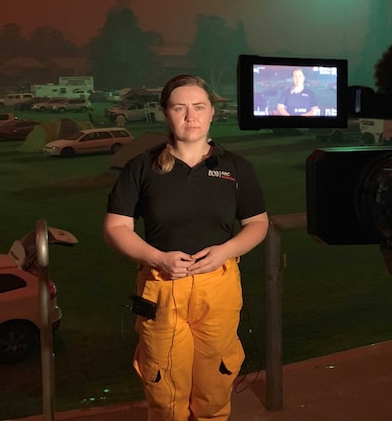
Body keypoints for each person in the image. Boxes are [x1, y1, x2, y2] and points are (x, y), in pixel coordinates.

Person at [103, 74, 269, 421]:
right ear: (166, 113)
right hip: (161, 288)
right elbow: (116, 228)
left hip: (219, 287)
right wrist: (156, 257)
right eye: (180, 108)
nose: (190, 117)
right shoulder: (142, 167)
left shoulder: (236, 168)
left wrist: (225, 251)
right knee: (163, 389)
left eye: (198, 107)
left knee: (215, 386)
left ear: (212, 113)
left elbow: (257, 223)